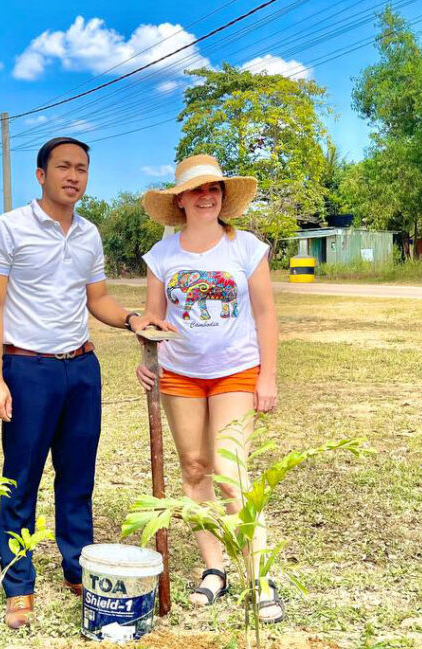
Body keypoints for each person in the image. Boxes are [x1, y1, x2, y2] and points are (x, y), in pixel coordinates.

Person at [0, 136, 172, 630]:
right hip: (28, 369)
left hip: (82, 368)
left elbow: (97, 299)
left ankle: (76, 568)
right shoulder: (7, 229)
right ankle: (18, 584)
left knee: (78, 476)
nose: (73, 176)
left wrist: (132, 319)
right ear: (40, 174)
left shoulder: (88, 234)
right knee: (21, 478)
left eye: (81, 168)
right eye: (63, 167)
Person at [136, 154, 283, 622]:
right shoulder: (162, 256)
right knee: (195, 467)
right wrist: (145, 355)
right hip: (179, 374)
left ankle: (260, 576)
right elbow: (154, 319)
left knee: (229, 469)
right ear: (180, 200)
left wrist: (268, 376)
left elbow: (266, 315)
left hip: (236, 371)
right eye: (196, 189)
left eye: (213, 188)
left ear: (222, 196)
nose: (206, 196)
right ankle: (214, 569)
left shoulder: (246, 248)